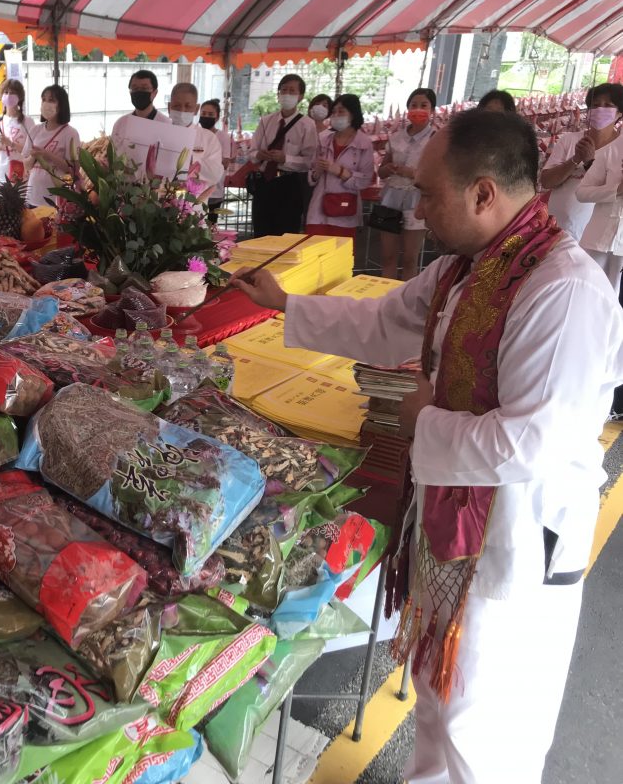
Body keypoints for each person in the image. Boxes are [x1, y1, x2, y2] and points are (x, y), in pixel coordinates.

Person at [232, 109, 623, 784]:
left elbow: (532, 442)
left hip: (517, 541)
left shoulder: (560, 291)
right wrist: (284, 306)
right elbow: (387, 320)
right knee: (443, 703)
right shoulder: (472, 268)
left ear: (482, 194)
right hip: (460, 515)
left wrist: (424, 422)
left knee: (486, 722)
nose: (418, 207)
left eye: (429, 194)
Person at [543, 83, 623, 242]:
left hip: (594, 236)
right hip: (556, 228)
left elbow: (615, 190)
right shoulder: (569, 140)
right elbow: (546, 181)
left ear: (619, 113)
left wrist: (589, 163)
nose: (600, 109)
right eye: (595, 105)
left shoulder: (620, 148)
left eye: (608, 106)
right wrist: (575, 159)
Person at [376, 88, 438, 279]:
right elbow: (382, 169)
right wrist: (387, 169)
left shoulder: (436, 139)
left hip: (417, 199)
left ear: (432, 110)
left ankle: (406, 301)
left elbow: (438, 174)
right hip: (391, 198)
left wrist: (412, 173)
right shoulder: (396, 137)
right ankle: (385, 298)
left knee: (410, 258)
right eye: (413, 105)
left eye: (423, 105)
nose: (417, 109)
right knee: (387, 256)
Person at [249, 74, 319, 236]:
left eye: (292, 91)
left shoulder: (307, 125)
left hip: (290, 184)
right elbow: (251, 152)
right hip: (265, 181)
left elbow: (310, 161)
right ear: (278, 94)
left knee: (285, 233)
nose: (287, 94)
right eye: (283, 90)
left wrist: (286, 158)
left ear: (300, 96)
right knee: (261, 232)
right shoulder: (266, 121)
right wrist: (260, 154)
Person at [305, 93, 375, 237]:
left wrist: (340, 172)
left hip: (345, 210)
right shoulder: (323, 139)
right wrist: (315, 173)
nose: (336, 115)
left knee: (339, 254)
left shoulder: (363, 144)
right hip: (318, 210)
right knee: (314, 252)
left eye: (341, 111)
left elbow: (365, 180)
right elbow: (311, 172)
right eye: (334, 111)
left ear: (353, 114)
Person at [575, 124, 623, 294]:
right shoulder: (610, 152)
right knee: (587, 292)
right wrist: (616, 190)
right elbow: (581, 192)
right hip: (598, 240)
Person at [23, 85, 81, 208]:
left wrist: (47, 154)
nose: (46, 103)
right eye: (43, 100)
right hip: (33, 196)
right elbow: (26, 165)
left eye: (51, 100)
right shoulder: (35, 130)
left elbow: (73, 169)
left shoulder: (70, 133)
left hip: (57, 200)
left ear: (61, 105)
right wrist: (34, 156)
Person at [167, 83, 223, 201]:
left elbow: (215, 175)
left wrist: (192, 161)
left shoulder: (209, 138)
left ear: (196, 109)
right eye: (176, 106)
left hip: (194, 205)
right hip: (160, 202)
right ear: (169, 107)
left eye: (188, 106)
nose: (182, 110)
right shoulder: (159, 133)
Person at [0, 78, 30, 184]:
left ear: (20, 97)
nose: (9, 95)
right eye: (6, 92)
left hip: (20, 176)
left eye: (13, 93)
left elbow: (30, 151)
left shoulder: (27, 122)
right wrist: (0, 144)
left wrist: (11, 143)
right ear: (1, 96)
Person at [200, 98, 233, 224]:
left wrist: (206, 163)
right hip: (196, 188)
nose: (206, 117)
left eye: (210, 115)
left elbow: (225, 163)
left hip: (214, 189)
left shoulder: (222, 136)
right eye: (203, 114)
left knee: (210, 224)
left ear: (217, 117)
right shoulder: (196, 133)